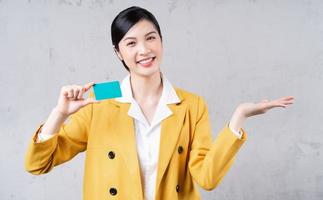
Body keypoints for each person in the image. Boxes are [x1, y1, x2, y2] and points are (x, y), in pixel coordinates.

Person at [24, 6, 294, 200]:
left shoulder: (191, 104)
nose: (144, 50)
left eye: (150, 38)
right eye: (131, 43)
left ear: (161, 41)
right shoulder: (100, 97)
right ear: (118, 52)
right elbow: (37, 165)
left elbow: (207, 178)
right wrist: (59, 114)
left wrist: (239, 117)